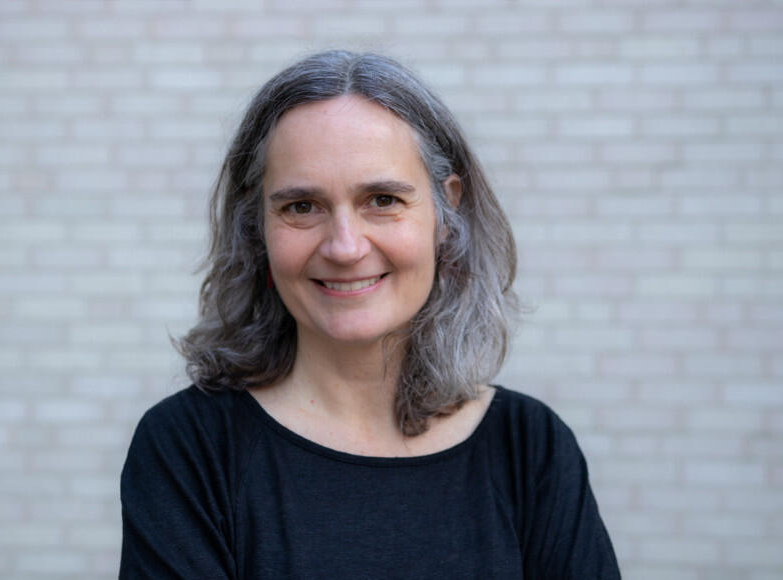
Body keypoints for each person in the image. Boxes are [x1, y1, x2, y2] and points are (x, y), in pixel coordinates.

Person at [119, 50, 620, 579]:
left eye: (381, 199)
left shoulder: (531, 450)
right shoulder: (189, 450)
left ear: (444, 215)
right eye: (301, 206)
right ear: (256, 227)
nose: (344, 246)